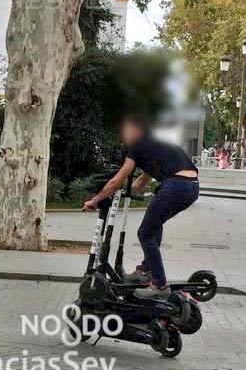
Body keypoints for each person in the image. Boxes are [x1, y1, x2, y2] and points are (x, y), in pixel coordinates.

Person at [83, 115, 199, 299]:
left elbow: (116, 181)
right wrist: (123, 194)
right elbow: (142, 180)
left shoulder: (137, 147)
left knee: (145, 233)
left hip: (176, 185)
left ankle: (159, 285)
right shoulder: (154, 143)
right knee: (155, 221)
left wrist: (95, 199)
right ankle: (147, 270)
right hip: (191, 186)